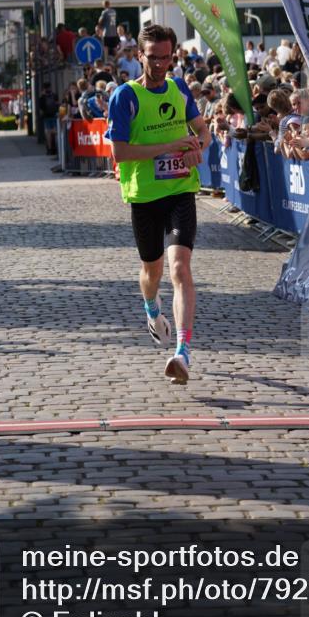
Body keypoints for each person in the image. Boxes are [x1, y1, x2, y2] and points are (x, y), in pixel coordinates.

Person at [107, 24, 211, 385]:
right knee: (151, 273)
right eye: (153, 58)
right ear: (140, 56)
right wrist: (167, 147)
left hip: (180, 191)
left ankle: (182, 352)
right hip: (144, 197)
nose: (160, 64)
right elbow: (120, 152)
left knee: (180, 268)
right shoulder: (125, 96)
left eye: (166, 57)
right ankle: (152, 310)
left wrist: (199, 146)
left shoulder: (180, 88)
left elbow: (203, 130)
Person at [38, 83, 60, 154]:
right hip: (54, 115)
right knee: (55, 132)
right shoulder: (54, 95)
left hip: (46, 116)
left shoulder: (42, 97)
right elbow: (57, 104)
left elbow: (41, 108)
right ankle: (57, 147)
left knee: (48, 133)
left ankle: (50, 148)